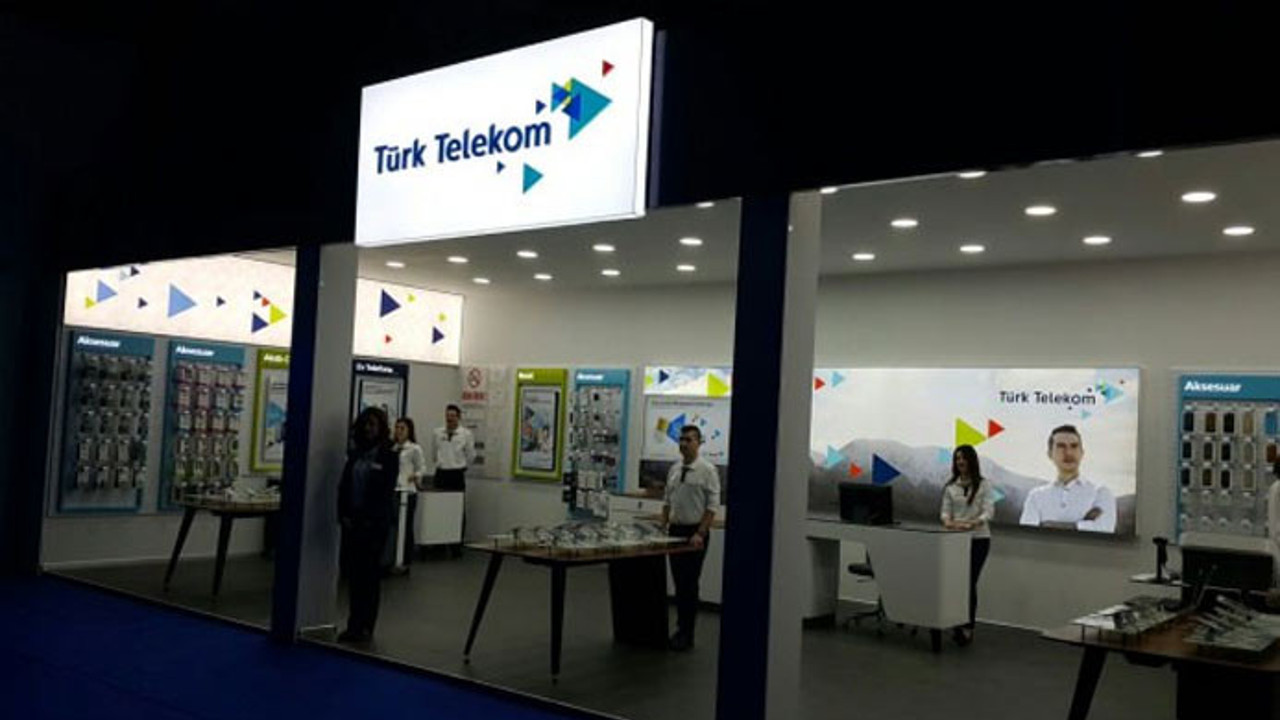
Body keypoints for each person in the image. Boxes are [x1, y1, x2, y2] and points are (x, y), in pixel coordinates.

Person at [337, 407, 399, 643]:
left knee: (370, 576)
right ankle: (353, 624)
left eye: (372, 424)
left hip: (373, 525)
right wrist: (343, 513)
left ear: (380, 427)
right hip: (352, 523)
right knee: (354, 576)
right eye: (365, 424)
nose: (368, 428)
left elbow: (384, 492)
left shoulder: (388, 456)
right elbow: (344, 486)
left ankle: (366, 626)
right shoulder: (355, 454)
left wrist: (368, 518)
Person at [661, 425, 721, 651]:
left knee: (689, 584)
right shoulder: (675, 469)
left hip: (695, 533)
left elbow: (712, 507)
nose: (683, 444)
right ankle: (680, 629)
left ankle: (687, 634)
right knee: (679, 583)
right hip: (675, 532)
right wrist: (663, 525)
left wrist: (700, 533)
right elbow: (667, 500)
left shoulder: (707, 470)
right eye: (681, 439)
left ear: (699, 443)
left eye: (688, 440)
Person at [940, 444, 994, 646]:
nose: (960, 461)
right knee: (955, 583)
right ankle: (954, 621)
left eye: (963, 458)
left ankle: (967, 627)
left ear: (972, 460)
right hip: (954, 540)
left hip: (978, 539)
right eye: (957, 458)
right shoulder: (950, 487)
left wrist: (974, 523)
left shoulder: (984, 485)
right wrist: (948, 522)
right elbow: (945, 512)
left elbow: (989, 511)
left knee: (968, 582)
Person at [1019, 424, 1116, 532]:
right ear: (1050, 454)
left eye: (1074, 446)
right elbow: (1027, 535)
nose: (1068, 453)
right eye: (1061, 446)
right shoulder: (1036, 496)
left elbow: (1105, 530)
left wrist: (1051, 526)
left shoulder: (1100, 493)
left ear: (1082, 453)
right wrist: (1084, 524)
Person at [429, 404, 475, 556]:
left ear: (458, 417)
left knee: (457, 510)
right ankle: (439, 544)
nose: (450, 418)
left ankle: (456, 544)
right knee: (439, 509)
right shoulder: (437, 432)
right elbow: (434, 453)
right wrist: (440, 463)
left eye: (453, 416)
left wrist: (461, 465)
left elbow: (471, 455)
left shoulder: (466, 434)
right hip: (441, 474)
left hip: (456, 474)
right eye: (448, 415)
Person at [385, 417, 427, 571]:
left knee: (406, 526)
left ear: (409, 430)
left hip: (408, 491)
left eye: (402, 428)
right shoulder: (392, 448)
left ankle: (406, 559)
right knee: (393, 526)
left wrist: (415, 476)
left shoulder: (414, 448)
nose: (399, 431)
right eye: (397, 427)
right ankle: (391, 557)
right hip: (393, 490)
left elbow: (422, 467)